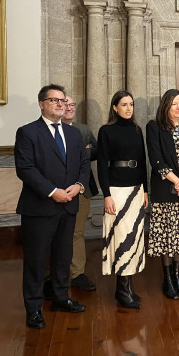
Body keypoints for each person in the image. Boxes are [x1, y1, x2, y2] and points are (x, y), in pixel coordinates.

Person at [14, 84, 89, 329]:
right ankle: (34, 308)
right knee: (36, 262)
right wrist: (52, 191)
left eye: (63, 100)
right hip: (39, 207)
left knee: (62, 257)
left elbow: (83, 164)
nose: (60, 104)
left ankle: (60, 298)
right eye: (54, 100)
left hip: (69, 205)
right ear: (41, 104)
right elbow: (25, 169)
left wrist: (79, 184)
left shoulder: (74, 134)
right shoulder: (27, 132)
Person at [146, 89, 179, 300]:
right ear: (166, 106)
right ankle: (167, 279)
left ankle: (177, 277)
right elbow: (156, 159)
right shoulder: (154, 127)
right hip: (166, 190)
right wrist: (177, 181)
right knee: (168, 237)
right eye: (175, 104)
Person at [98, 91, 148, 309]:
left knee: (134, 237)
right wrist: (106, 194)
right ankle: (121, 290)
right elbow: (101, 165)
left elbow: (142, 161)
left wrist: (145, 190)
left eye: (131, 104)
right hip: (117, 191)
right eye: (124, 104)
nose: (129, 108)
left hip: (136, 190)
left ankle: (127, 287)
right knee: (120, 238)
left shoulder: (137, 130)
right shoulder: (106, 131)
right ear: (114, 108)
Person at [63, 96, 99, 291]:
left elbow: (96, 151)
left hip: (82, 189)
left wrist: (83, 152)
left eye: (72, 104)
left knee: (77, 233)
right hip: (58, 191)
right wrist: (82, 151)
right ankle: (55, 274)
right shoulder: (51, 130)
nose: (69, 107)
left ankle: (78, 274)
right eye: (65, 104)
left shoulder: (83, 129)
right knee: (58, 233)